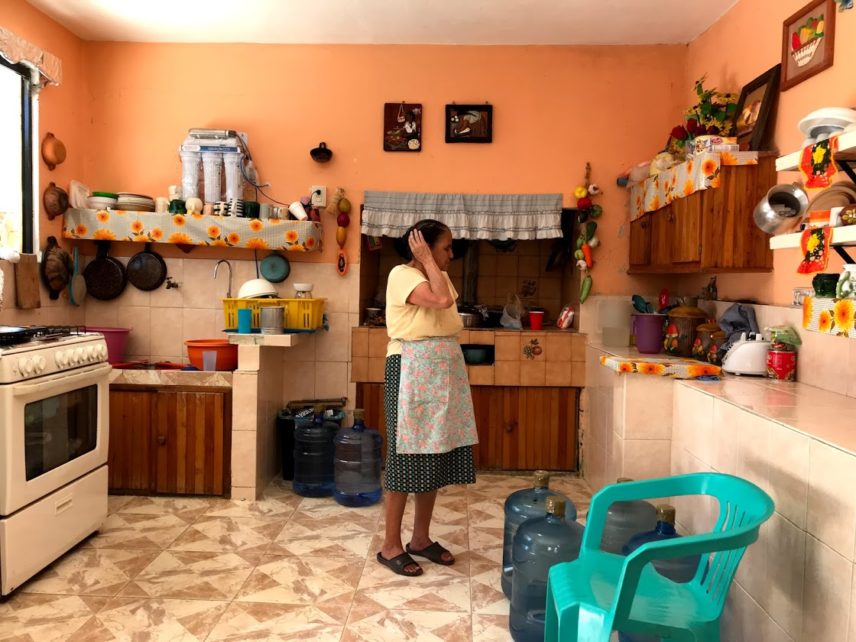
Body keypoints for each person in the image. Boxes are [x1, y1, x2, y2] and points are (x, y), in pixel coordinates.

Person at [376, 219, 479, 577]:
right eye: (446, 247)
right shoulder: (401, 275)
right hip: (411, 371)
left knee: (434, 454)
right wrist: (425, 261)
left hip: (441, 373)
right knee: (405, 457)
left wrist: (433, 264)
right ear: (423, 247)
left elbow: (443, 297)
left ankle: (420, 539)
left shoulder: (439, 273)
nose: (452, 254)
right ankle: (390, 545)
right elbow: (440, 300)